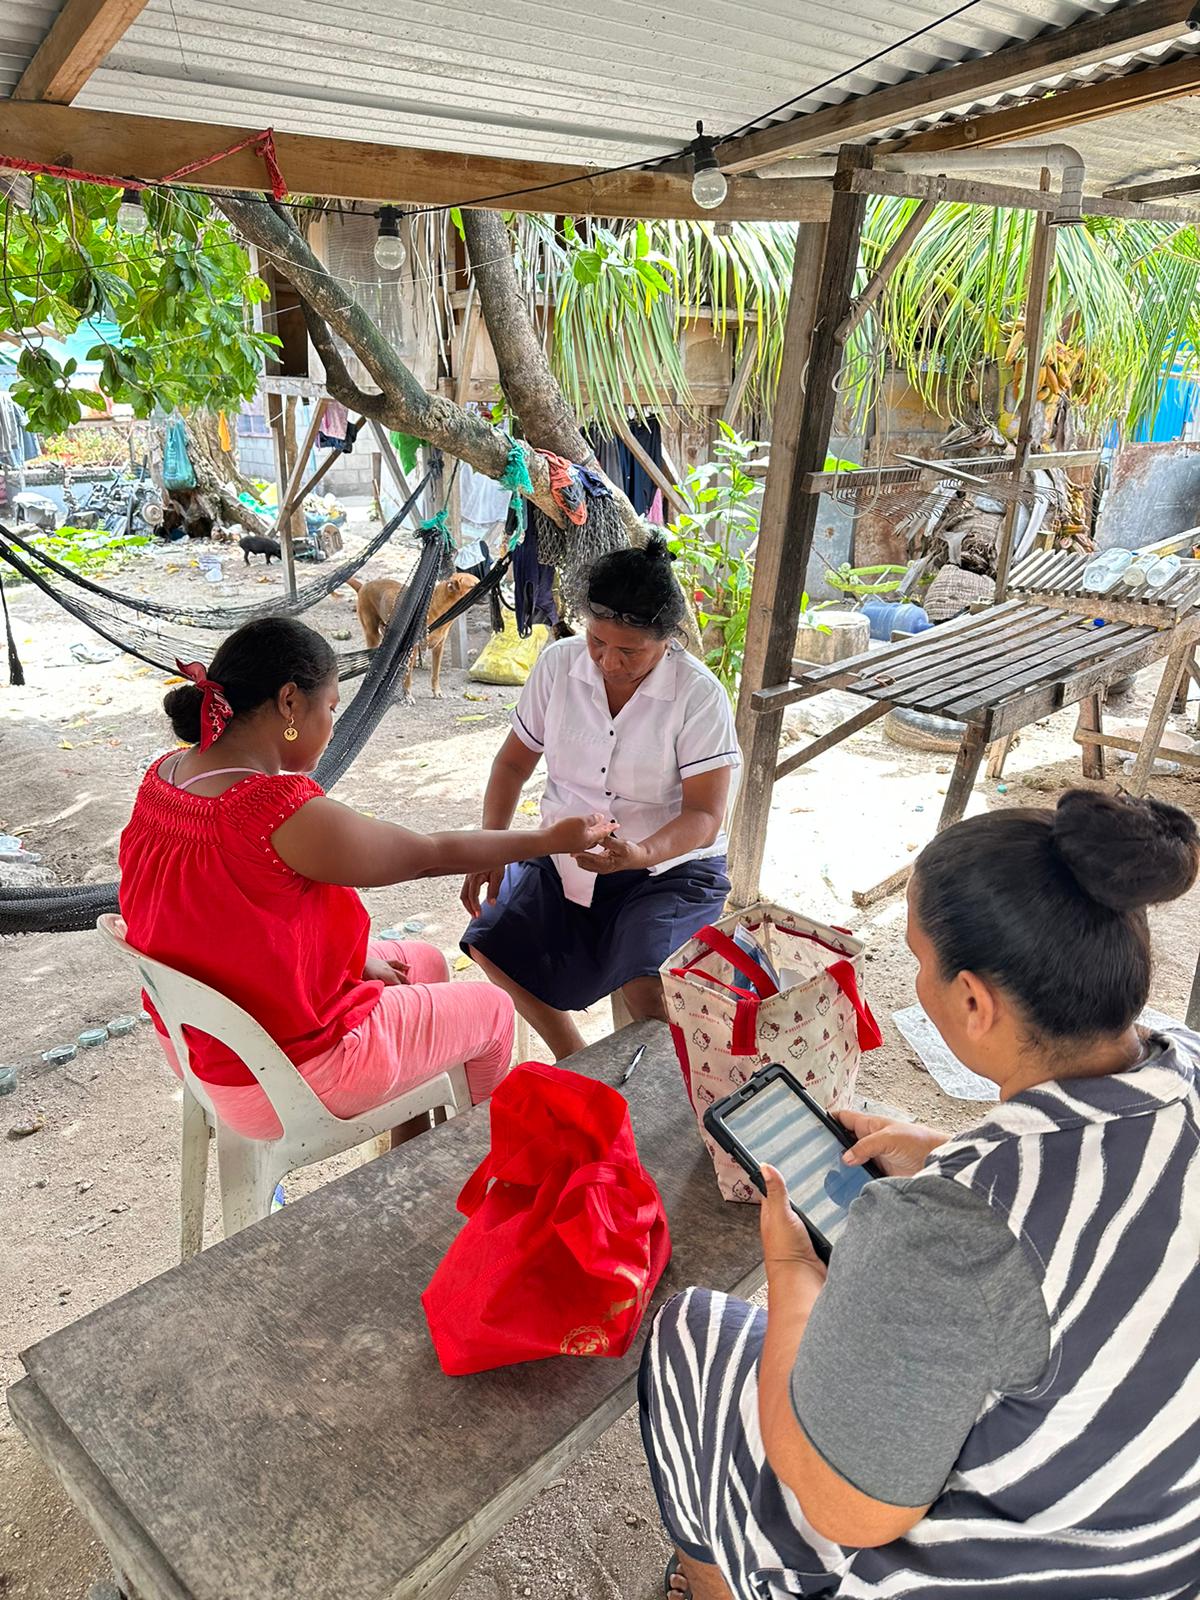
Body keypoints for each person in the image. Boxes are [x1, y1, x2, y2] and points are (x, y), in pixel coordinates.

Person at [639, 788, 1200, 1600]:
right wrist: (948, 1154)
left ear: (973, 1001)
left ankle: (714, 1585)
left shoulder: (953, 1228)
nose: (917, 979)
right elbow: (1112, 1188)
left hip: (1008, 1576)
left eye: (919, 959)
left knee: (691, 1334)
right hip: (1160, 1542)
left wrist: (793, 1263)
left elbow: (845, 1508)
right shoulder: (1183, 1062)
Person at [118, 617, 610, 1141]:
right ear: (289, 703)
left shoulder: (167, 777)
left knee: (424, 961)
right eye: (330, 707)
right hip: (283, 1075)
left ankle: (410, 1146)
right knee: (491, 1011)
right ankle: (479, 1162)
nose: (333, 723)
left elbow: (228, 922)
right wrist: (550, 840)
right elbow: (428, 854)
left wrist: (355, 961)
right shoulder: (273, 813)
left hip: (205, 1042)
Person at [461, 534, 740, 1060]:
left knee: (648, 988)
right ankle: (576, 1058)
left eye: (629, 650)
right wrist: (491, 847)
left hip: (667, 868)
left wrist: (638, 855)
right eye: (597, 642)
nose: (609, 662)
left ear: (666, 640)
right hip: (566, 854)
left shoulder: (698, 695)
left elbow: (704, 815)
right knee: (487, 935)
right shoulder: (557, 666)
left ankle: (657, 1094)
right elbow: (513, 763)